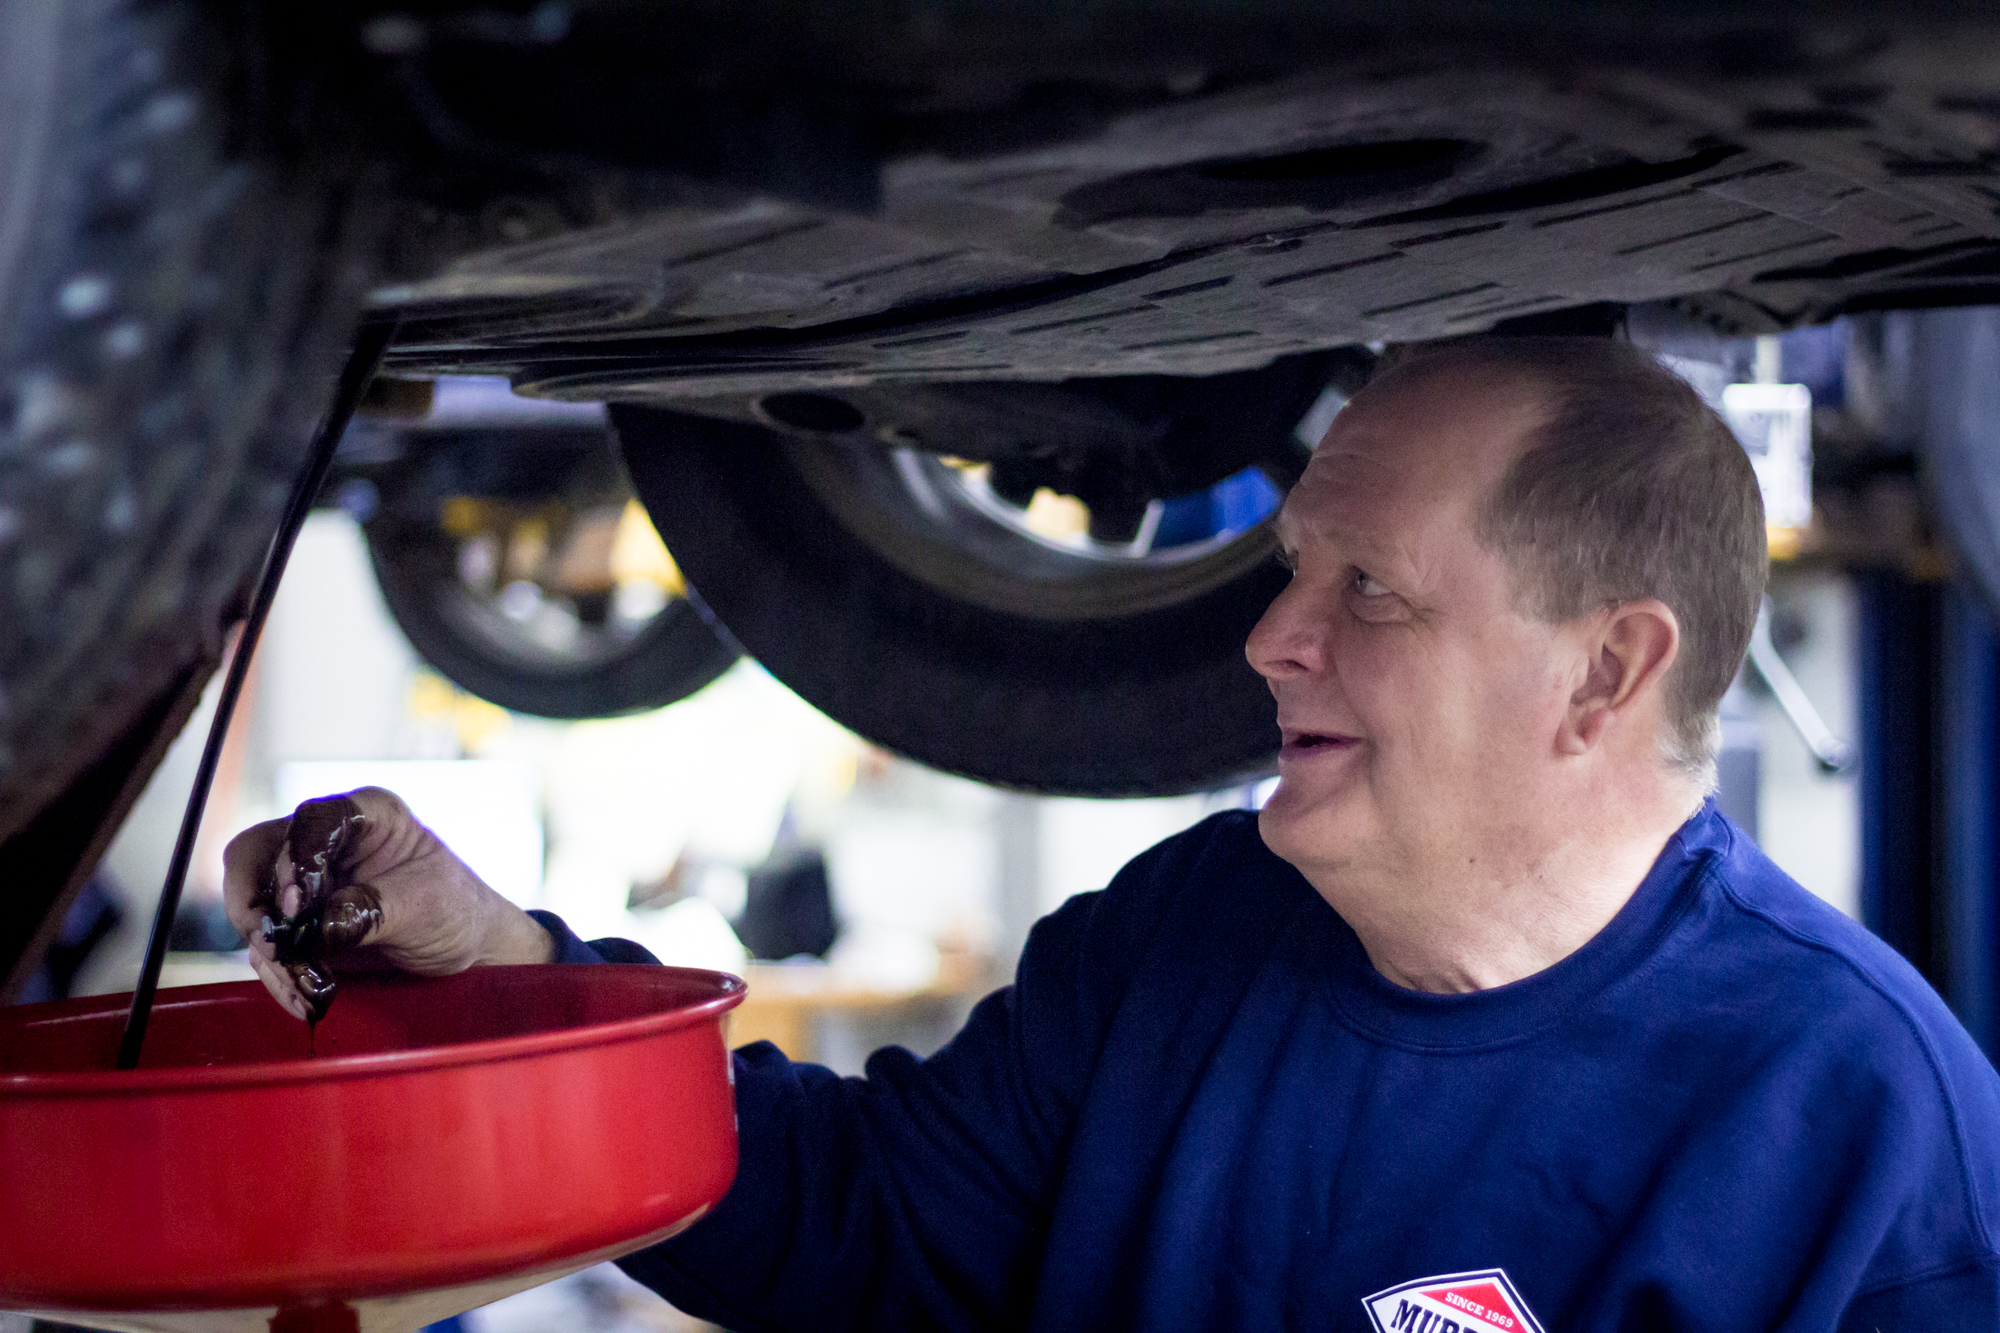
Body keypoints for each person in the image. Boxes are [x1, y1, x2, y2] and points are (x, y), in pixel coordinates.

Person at [226, 337, 2000, 1331]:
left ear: (1606, 671)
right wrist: (508, 968)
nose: (1269, 636)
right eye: (1292, 566)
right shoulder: (1192, 930)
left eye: (1369, 589)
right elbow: (848, 1217)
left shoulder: (1864, 1126)